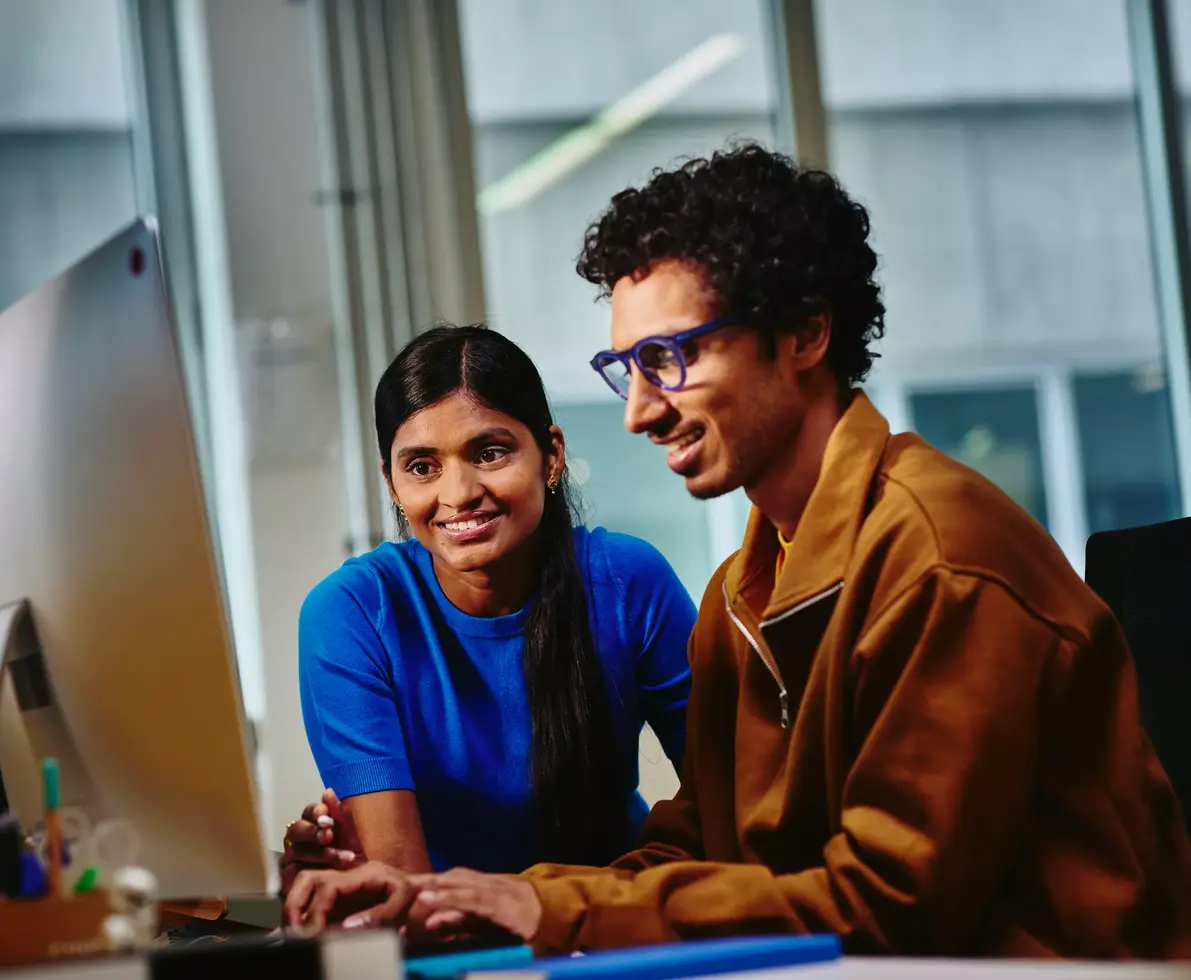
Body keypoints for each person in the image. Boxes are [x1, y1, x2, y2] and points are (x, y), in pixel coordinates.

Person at [283, 145, 1191, 958]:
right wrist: (517, 899)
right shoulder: (742, 592)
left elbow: (893, 904)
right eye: (626, 370)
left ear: (802, 334)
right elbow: (707, 839)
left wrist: (551, 912)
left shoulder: (940, 555)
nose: (638, 410)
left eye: (670, 358)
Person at [280, 325, 695, 888]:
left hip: (617, 925)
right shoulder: (351, 614)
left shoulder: (629, 581)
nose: (459, 493)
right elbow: (402, 883)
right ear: (393, 485)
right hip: (452, 947)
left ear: (552, 457)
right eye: (422, 466)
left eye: (491, 452)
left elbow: (726, 807)